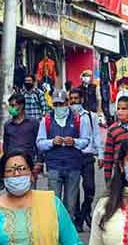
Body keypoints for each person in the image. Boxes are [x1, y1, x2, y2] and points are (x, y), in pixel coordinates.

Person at [36, 89, 91, 220]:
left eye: (61, 104)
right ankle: (54, 234)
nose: (59, 107)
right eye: (56, 105)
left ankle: (68, 235)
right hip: (54, 166)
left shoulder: (78, 119)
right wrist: (51, 142)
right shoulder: (46, 120)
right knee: (54, 205)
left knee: (70, 206)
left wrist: (74, 141)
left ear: (67, 103)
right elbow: (39, 142)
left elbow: (86, 140)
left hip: (73, 166)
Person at [69, 87, 99, 232]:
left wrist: (101, 154)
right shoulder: (66, 116)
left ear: (81, 99)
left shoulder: (90, 116)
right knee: (74, 191)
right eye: (71, 99)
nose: (73, 101)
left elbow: (97, 135)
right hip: (72, 156)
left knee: (90, 188)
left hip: (87, 156)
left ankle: (85, 211)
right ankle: (78, 219)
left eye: (76, 98)